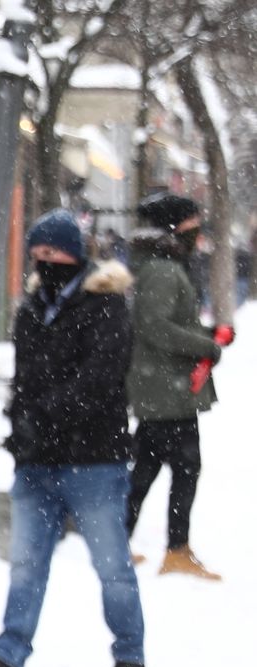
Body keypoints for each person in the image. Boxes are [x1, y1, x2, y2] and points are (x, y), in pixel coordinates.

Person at [0, 209, 146, 667]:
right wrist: (21, 427)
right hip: (36, 462)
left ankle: (130, 657)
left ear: (75, 253)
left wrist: (45, 420)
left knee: (112, 566)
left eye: (53, 251)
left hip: (94, 460)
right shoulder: (30, 309)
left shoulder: (106, 306)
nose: (44, 259)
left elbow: (100, 380)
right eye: (38, 252)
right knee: (26, 565)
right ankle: (9, 656)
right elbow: (26, 379)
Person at [124, 192, 229, 581]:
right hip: (166, 388)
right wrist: (205, 345)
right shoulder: (165, 270)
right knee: (184, 468)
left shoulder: (162, 265)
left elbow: (166, 322)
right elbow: (154, 325)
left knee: (148, 467)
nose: (197, 228)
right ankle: (176, 549)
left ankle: (119, 540)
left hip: (164, 387)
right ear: (173, 227)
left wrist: (206, 333)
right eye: (191, 222)